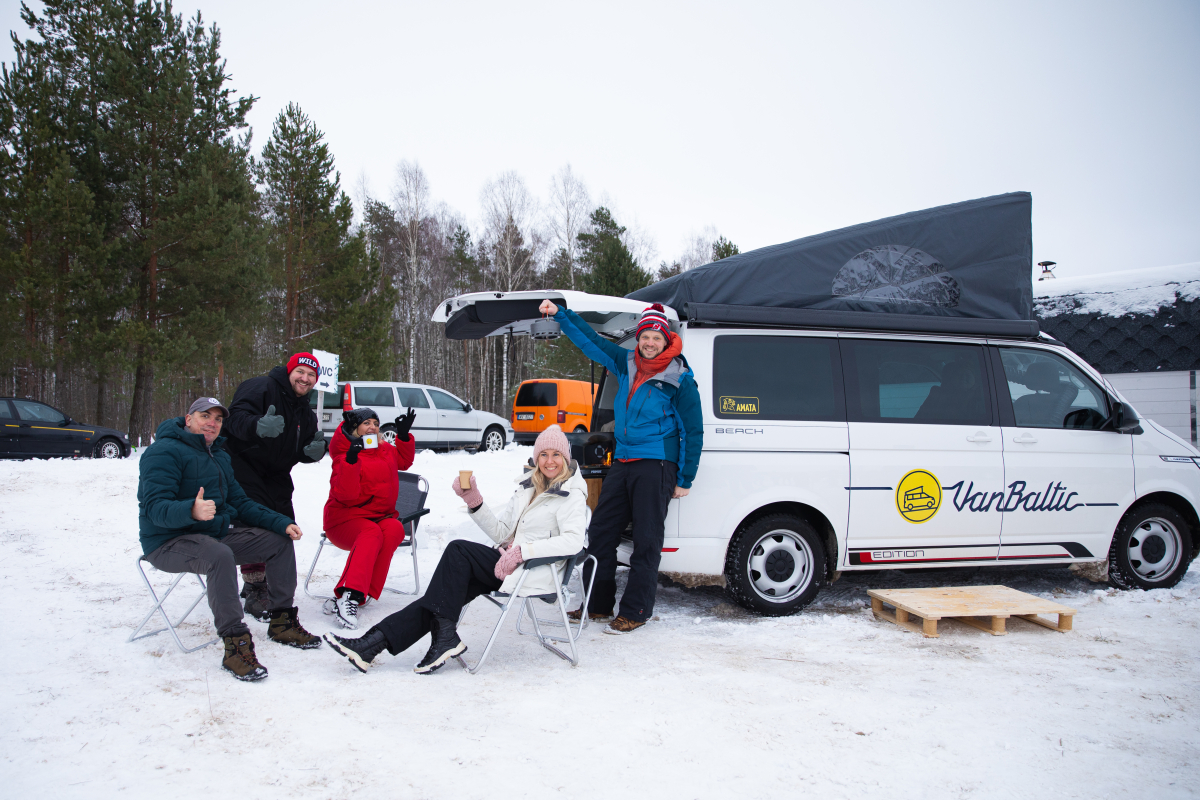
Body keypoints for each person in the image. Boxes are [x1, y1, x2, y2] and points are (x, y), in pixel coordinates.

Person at [324, 425, 587, 675]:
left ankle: (440, 638)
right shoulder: (527, 487)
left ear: (565, 458)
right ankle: (370, 647)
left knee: (458, 551)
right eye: (543, 454)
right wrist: (474, 500)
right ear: (536, 457)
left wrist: (523, 552)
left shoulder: (571, 493)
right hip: (506, 563)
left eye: (556, 455)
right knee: (438, 602)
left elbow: (574, 541)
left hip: (534, 570)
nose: (549, 461)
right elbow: (501, 531)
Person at [538, 299, 702, 634]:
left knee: (646, 538)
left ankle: (637, 610)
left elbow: (693, 430)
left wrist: (684, 477)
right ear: (639, 338)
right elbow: (592, 342)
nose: (650, 342)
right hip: (624, 461)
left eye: (657, 336)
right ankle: (598, 605)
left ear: (666, 339)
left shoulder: (679, 378)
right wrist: (563, 316)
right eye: (646, 336)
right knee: (600, 532)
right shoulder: (625, 361)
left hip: (657, 464)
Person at [137, 397, 322, 682]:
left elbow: (241, 501)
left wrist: (281, 522)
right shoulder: (163, 452)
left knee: (277, 541)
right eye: (204, 416)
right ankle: (235, 644)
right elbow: (153, 508)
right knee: (219, 555)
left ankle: (282, 620)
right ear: (188, 420)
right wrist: (191, 510)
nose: (212, 423)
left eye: (218, 419)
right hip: (167, 542)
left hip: (212, 535)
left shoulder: (219, 455)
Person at [223, 352, 328, 621]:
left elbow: (305, 443)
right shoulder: (261, 386)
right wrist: (256, 425)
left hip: (277, 473)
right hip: (243, 467)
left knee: (282, 524)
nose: (305, 379)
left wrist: (312, 452)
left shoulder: (303, 405)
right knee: (254, 525)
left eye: (311, 376)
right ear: (290, 371)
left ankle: (270, 584)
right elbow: (233, 419)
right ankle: (255, 587)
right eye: (301, 372)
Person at [323, 406, 417, 629]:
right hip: (344, 520)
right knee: (370, 533)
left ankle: (361, 593)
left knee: (393, 529)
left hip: (378, 516)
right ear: (354, 429)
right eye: (367, 423)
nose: (373, 427)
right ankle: (349, 594)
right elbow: (345, 496)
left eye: (375, 423)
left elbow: (404, 461)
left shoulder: (384, 450)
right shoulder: (344, 455)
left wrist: (403, 436)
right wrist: (352, 460)